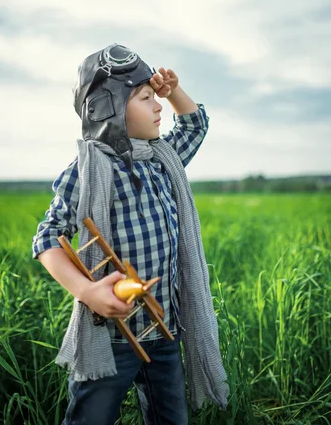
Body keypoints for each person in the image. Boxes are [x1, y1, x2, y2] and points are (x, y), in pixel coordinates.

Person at [32, 43, 229, 425]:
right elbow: (48, 238)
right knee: (92, 417)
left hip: (166, 330)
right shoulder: (89, 171)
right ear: (109, 107)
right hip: (111, 337)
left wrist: (172, 91)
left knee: (170, 418)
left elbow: (193, 125)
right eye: (145, 98)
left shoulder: (161, 159)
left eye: (156, 98)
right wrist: (87, 291)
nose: (158, 107)